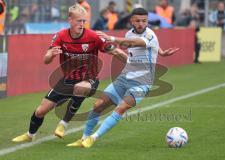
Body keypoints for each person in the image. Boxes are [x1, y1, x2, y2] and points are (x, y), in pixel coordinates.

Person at [67, 8, 179, 148]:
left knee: (121, 108)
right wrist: (161, 52)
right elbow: (132, 44)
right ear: (131, 21)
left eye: (144, 21)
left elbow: (135, 43)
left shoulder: (150, 35)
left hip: (142, 81)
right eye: (137, 20)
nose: (141, 23)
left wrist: (112, 38)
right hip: (125, 77)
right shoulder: (129, 33)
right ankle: (83, 138)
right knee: (97, 105)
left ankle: (93, 138)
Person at [12, 4, 113, 143]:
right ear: (70, 20)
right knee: (40, 111)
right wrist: (50, 55)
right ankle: (30, 135)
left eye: (84, 21)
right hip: (67, 79)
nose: (82, 24)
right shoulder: (60, 36)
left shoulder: (93, 36)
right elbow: (46, 59)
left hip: (89, 79)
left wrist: (117, 49)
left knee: (81, 88)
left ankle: (63, 123)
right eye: (79, 21)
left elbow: (110, 49)